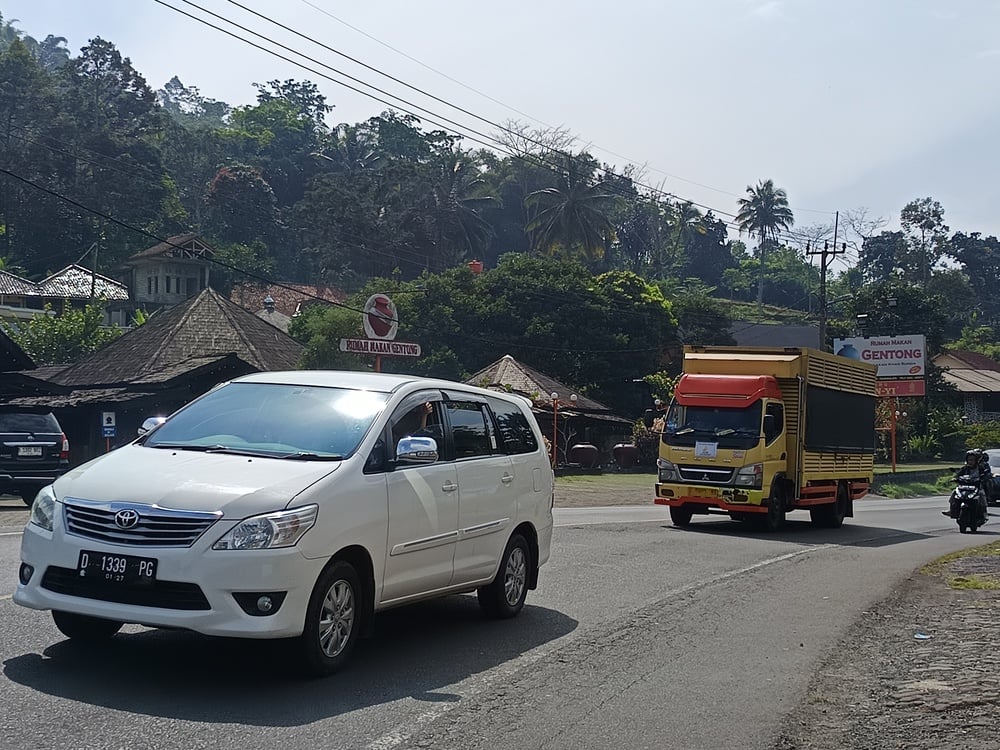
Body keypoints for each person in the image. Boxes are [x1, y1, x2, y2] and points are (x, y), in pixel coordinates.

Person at [945, 448, 991, 523]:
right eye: (969, 460)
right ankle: (952, 510)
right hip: (964, 487)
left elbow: (986, 475)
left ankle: (982, 514)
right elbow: (958, 474)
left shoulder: (980, 468)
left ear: (976, 460)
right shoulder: (964, 468)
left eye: (972, 460)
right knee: (954, 493)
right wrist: (955, 478)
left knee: (982, 495)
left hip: (976, 487)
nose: (971, 462)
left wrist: (984, 478)